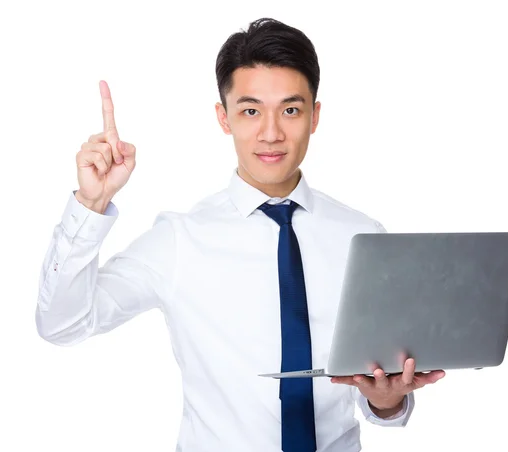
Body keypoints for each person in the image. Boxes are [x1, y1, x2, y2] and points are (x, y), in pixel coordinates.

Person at [35, 17, 445, 452]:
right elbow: (62, 325)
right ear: (224, 118)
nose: (271, 133)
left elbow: (381, 391)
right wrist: (90, 204)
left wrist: (386, 401)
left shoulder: (362, 236)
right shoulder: (181, 239)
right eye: (251, 110)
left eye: (290, 109)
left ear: (315, 115)